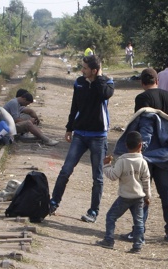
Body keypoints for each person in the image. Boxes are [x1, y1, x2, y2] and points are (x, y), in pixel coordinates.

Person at [119, 68, 168, 243]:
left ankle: (138, 231)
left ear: (142, 83)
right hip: (165, 155)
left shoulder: (141, 99)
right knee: (166, 191)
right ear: (157, 80)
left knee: (141, 194)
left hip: (146, 155)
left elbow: (139, 126)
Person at [50, 55, 115, 223]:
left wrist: (98, 77)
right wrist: (69, 128)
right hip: (80, 134)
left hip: (98, 137)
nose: (82, 70)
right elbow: (75, 106)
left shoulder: (107, 83)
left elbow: (103, 95)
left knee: (97, 177)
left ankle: (93, 211)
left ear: (94, 70)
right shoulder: (79, 82)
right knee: (66, 170)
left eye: (85, 68)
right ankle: (53, 203)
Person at [95, 131, 150, 254]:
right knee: (139, 222)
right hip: (139, 197)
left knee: (111, 217)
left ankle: (109, 240)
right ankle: (137, 245)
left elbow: (113, 176)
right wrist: (148, 196)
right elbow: (146, 181)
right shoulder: (143, 162)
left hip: (125, 197)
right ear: (140, 145)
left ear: (126, 145)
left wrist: (106, 165)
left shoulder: (122, 161)